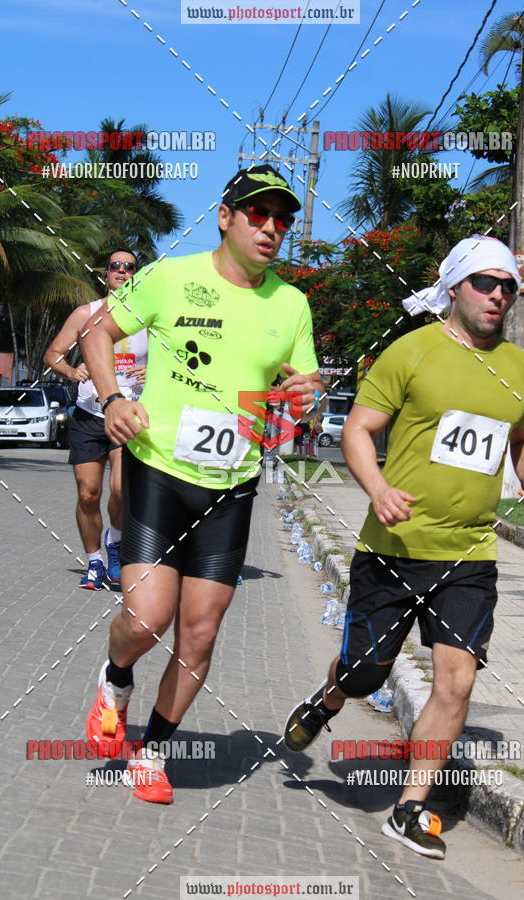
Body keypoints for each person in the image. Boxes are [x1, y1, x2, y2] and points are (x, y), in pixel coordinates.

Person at [283, 235, 524, 859]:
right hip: (393, 548)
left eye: (507, 286)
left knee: (457, 681)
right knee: (364, 673)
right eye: (485, 283)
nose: (498, 295)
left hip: (469, 555)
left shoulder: (521, 368)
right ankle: (329, 698)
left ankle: (409, 808)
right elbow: (357, 429)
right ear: (454, 288)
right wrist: (376, 488)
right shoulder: (412, 351)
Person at [80, 164, 324, 803]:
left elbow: (305, 392)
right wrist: (112, 399)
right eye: (258, 214)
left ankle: (153, 752)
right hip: (159, 470)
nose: (271, 228)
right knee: (147, 618)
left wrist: (307, 395)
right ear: (225, 216)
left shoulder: (291, 304)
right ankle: (116, 677)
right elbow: (98, 333)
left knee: (200, 632)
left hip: (231, 484)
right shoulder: (171, 277)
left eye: (283, 219)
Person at [44, 249, 147, 590]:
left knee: (119, 490)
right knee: (88, 494)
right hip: (89, 414)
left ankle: (115, 543)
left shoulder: (147, 316)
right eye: (116, 266)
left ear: (136, 274)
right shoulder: (85, 314)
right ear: (106, 273)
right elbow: (53, 354)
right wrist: (71, 371)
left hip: (127, 413)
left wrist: (153, 371)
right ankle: (94, 561)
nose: (122, 271)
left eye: (129, 267)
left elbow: (176, 357)